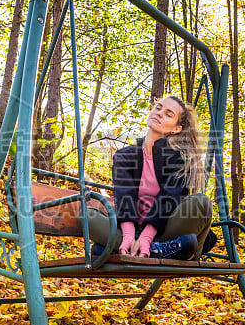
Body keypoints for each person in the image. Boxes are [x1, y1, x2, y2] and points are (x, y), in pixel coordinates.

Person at [81, 96, 213, 260]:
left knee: (201, 202)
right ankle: (160, 250)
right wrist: (129, 235)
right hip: (132, 231)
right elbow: (125, 195)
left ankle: (119, 249)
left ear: (176, 129)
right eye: (158, 107)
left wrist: (146, 238)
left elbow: (169, 198)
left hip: (166, 230)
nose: (159, 113)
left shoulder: (180, 158)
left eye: (168, 114)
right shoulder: (125, 156)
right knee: (86, 216)